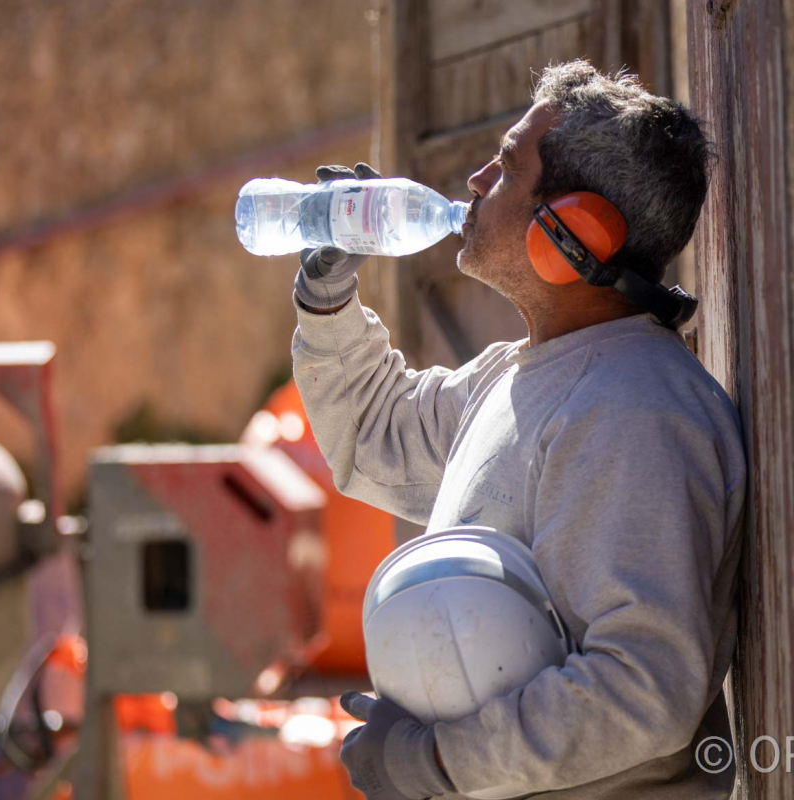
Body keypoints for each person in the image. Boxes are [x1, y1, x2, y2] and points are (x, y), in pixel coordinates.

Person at [291, 60, 747, 800]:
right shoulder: (523, 375)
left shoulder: (633, 411)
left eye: (505, 168)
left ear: (573, 231)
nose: (474, 181)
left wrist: (434, 762)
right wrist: (327, 292)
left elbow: (642, 687)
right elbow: (375, 433)